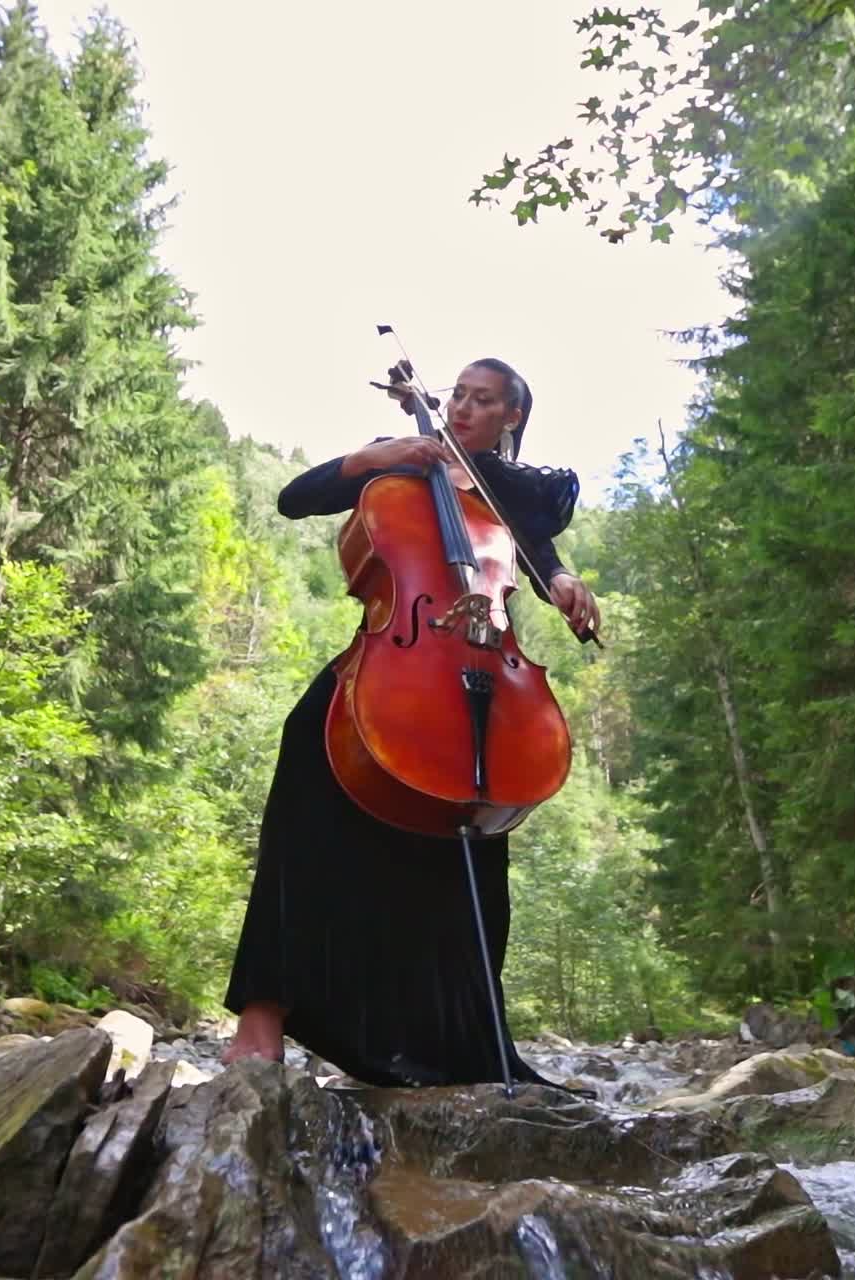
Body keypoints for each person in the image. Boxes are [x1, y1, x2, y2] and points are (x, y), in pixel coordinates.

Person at [221, 358, 601, 1086]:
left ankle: (468, 1041)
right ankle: (260, 1019)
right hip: (393, 666)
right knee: (307, 759)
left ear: (510, 417)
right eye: (456, 393)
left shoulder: (505, 492)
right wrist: (377, 455)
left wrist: (561, 580)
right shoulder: (398, 468)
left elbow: (534, 555)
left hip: (480, 681)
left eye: (481, 400)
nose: (461, 407)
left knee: (477, 835)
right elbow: (294, 500)